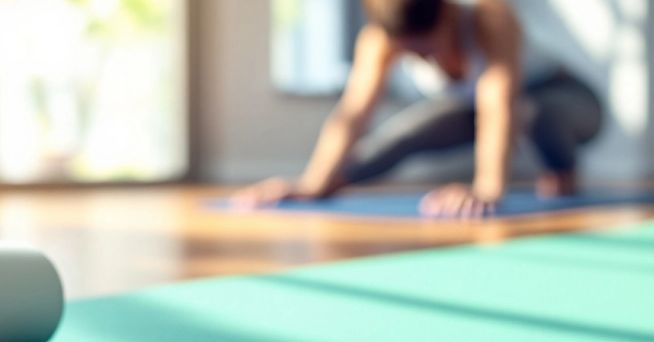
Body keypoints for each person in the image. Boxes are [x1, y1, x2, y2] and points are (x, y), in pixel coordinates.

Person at [233, 0, 603, 218]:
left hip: (569, 103)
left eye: (429, 49)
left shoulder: (489, 17)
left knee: (531, 111)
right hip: (474, 110)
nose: (425, 59)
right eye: (414, 53)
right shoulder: (381, 40)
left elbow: (499, 101)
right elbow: (353, 114)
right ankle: (331, 182)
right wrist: (313, 183)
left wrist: (486, 189)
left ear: (447, 14)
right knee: (408, 131)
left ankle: (561, 172)